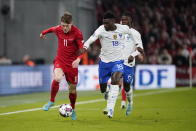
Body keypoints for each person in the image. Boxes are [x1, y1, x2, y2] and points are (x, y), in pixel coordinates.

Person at [79, 11, 138, 118]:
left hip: (118, 61)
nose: (105, 25)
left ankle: (110, 109)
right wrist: (85, 47)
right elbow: (92, 38)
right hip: (104, 63)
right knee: (102, 88)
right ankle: (106, 91)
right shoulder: (101, 29)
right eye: (104, 23)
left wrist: (138, 48)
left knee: (115, 80)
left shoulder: (123, 28)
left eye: (107, 23)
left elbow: (135, 35)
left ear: (113, 21)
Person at [40, 11, 84, 120]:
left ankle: (73, 109)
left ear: (71, 24)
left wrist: (78, 59)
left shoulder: (77, 33)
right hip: (60, 60)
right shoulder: (58, 28)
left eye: (66, 26)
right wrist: (42, 33)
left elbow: (82, 48)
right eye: (62, 25)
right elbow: (51, 29)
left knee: (72, 89)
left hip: (72, 64)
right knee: (57, 77)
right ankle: (51, 101)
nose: (64, 28)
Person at [120, 12, 144, 115]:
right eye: (122, 20)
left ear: (130, 22)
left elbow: (140, 49)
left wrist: (133, 55)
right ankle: (110, 98)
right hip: (117, 61)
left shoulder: (135, 33)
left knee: (127, 87)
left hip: (129, 64)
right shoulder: (117, 33)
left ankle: (130, 102)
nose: (124, 22)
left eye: (126, 20)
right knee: (114, 80)